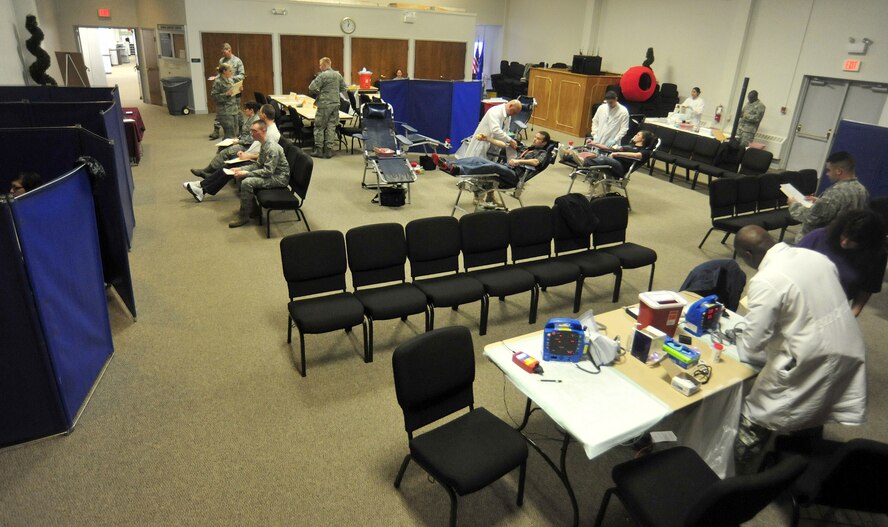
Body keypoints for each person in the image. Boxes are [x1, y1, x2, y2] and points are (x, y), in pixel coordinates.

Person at [732, 225, 866, 468]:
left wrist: (741, 336)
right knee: (816, 406)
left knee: (758, 412)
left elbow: (753, 343)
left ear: (748, 255)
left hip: (810, 356)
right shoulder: (815, 257)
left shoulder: (766, 279)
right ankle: (804, 453)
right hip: (847, 343)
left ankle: (741, 474)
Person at [183, 121, 289, 228]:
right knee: (239, 175)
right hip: (272, 173)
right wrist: (239, 169)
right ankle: (254, 210)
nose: (252, 133)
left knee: (247, 182)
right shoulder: (264, 144)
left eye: (254, 131)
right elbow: (258, 165)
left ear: (263, 131)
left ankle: (244, 216)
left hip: (279, 177)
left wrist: (247, 173)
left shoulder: (271, 148)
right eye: (251, 130)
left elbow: (268, 171)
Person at [797, 209, 887, 316]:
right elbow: (790, 264)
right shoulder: (818, 237)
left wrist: (853, 313)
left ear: (867, 243)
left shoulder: (876, 256)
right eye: (844, 235)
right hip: (800, 299)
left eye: (854, 240)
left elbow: (867, 288)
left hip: (832, 309)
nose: (845, 242)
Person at [788, 151, 869, 242]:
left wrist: (794, 205)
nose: (827, 174)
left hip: (819, 241)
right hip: (843, 239)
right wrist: (820, 201)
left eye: (829, 170)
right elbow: (842, 207)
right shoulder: (862, 190)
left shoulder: (835, 192)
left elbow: (812, 218)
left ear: (838, 171)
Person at [433, 131, 552, 188]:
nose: (534, 140)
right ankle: (448, 164)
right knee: (476, 159)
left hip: (515, 176)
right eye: (535, 137)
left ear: (544, 143)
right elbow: (504, 145)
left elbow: (536, 162)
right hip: (507, 168)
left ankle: (458, 170)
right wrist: (488, 139)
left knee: (494, 167)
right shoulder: (527, 148)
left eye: (538, 139)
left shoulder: (543, 153)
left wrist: (518, 161)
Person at [190, 101, 263, 178]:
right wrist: (238, 138)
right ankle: (212, 171)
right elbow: (245, 133)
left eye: (246, 109)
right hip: (243, 142)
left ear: (251, 110)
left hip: (247, 146)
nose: (244, 110)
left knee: (225, 152)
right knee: (221, 147)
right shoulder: (250, 118)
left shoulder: (255, 121)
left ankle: (207, 171)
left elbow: (252, 139)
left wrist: (239, 141)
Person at [571, 129, 656, 179]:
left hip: (621, 168)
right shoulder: (629, 146)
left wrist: (617, 153)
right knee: (591, 154)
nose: (635, 135)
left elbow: (637, 155)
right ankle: (568, 155)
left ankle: (583, 163)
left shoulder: (646, 151)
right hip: (613, 162)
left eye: (638, 135)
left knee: (603, 158)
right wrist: (593, 143)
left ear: (643, 139)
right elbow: (609, 148)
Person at [308, 57, 347, 159]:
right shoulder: (338, 75)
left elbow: (311, 87)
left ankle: (319, 150)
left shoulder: (322, 76)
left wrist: (320, 92)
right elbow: (343, 88)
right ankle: (329, 150)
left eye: (320, 65)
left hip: (324, 104)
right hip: (335, 104)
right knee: (331, 126)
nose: (320, 67)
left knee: (319, 126)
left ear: (325, 65)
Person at [208, 43, 246, 140]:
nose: (223, 55)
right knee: (223, 114)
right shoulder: (222, 61)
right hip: (225, 98)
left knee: (236, 111)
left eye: (225, 52)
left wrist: (231, 78)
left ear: (229, 50)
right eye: (222, 53)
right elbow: (220, 74)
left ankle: (241, 128)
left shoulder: (237, 61)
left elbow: (242, 75)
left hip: (234, 89)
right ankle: (217, 129)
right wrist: (217, 77)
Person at [210, 63, 240, 140]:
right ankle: (225, 151)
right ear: (224, 71)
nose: (232, 72)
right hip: (225, 111)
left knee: (235, 133)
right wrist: (225, 94)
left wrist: (238, 90)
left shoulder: (230, 80)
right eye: (230, 71)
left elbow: (233, 93)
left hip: (233, 109)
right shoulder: (218, 82)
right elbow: (214, 97)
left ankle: (232, 151)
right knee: (229, 135)